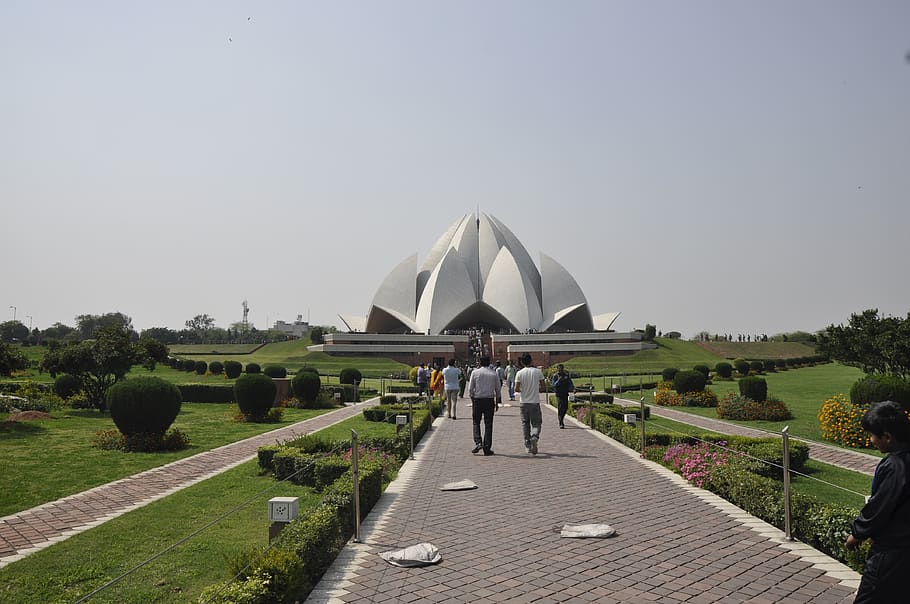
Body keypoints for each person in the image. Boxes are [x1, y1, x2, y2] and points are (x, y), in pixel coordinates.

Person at [846, 400, 910, 603]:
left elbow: (879, 508)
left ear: (888, 437)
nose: (870, 440)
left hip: (891, 553)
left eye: (872, 435)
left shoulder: (895, 466)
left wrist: (856, 534)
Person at [467, 356, 501, 456]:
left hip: (478, 399)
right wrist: (497, 402)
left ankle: (478, 442)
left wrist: (472, 399)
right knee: (488, 424)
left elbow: (470, 389)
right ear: (489, 362)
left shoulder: (475, 372)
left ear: (480, 363)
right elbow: (498, 390)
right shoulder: (493, 373)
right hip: (489, 400)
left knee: (476, 422)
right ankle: (487, 448)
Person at [514, 353, 545, 455]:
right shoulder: (538, 372)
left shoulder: (519, 373)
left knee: (525, 424)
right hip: (535, 402)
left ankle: (527, 445)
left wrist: (524, 389)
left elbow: (516, 389)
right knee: (537, 423)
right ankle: (535, 436)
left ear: (522, 362)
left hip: (524, 402)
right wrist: (536, 389)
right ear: (531, 361)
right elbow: (543, 387)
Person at [551, 364, 575, 429]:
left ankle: (561, 417)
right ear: (557, 369)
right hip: (559, 394)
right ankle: (561, 422)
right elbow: (553, 385)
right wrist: (558, 380)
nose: (560, 370)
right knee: (560, 407)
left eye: (561, 369)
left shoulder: (566, 375)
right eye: (559, 369)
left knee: (565, 407)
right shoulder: (555, 376)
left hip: (565, 393)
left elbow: (570, 383)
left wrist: (573, 389)